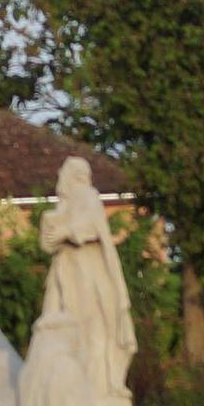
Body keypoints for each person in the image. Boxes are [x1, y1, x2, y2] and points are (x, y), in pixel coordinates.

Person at [35, 156, 137, 388]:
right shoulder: (64, 206)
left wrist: (66, 232)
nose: (60, 178)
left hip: (87, 274)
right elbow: (47, 243)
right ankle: (72, 383)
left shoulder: (86, 195)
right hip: (66, 272)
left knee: (90, 326)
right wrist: (53, 231)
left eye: (63, 173)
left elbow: (92, 226)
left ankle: (94, 383)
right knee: (60, 325)